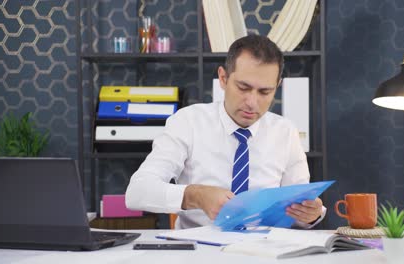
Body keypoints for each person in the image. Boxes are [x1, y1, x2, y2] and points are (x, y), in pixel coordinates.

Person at [126, 34, 325, 229]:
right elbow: (137, 192)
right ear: (223, 78)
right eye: (243, 88)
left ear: (277, 87)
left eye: (265, 92)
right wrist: (195, 195)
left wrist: (310, 214)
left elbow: (298, 206)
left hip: (265, 251)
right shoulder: (187, 122)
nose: (252, 103)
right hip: (199, 252)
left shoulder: (285, 132)